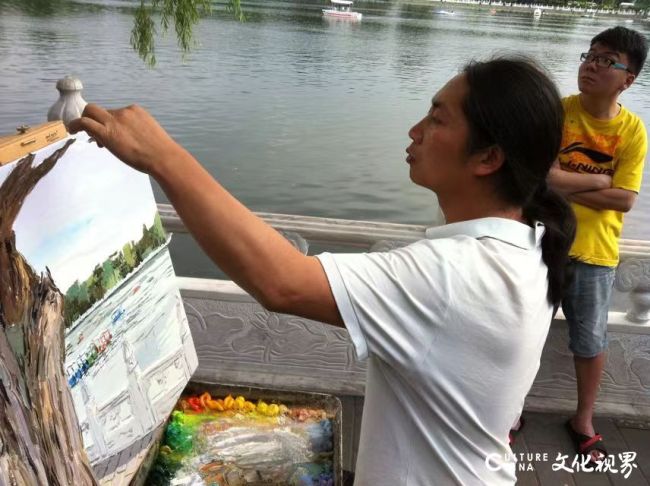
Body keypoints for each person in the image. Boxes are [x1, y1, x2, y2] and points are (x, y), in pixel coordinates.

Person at [69, 57, 575, 485]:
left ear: (488, 158)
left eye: (438, 120)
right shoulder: (529, 243)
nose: (415, 130)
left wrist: (162, 157)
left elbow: (282, 281)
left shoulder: (457, 275)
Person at [547, 26, 648, 463]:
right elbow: (541, 178)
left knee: (590, 342)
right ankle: (510, 412)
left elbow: (625, 199)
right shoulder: (558, 113)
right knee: (524, 332)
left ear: (629, 78)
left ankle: (583, 419)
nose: (591, 64)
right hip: (544, 244)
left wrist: (564, 185)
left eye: (607, 60)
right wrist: (599, 179)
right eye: (590, 55)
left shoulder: (633, 131)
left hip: (595, 254)